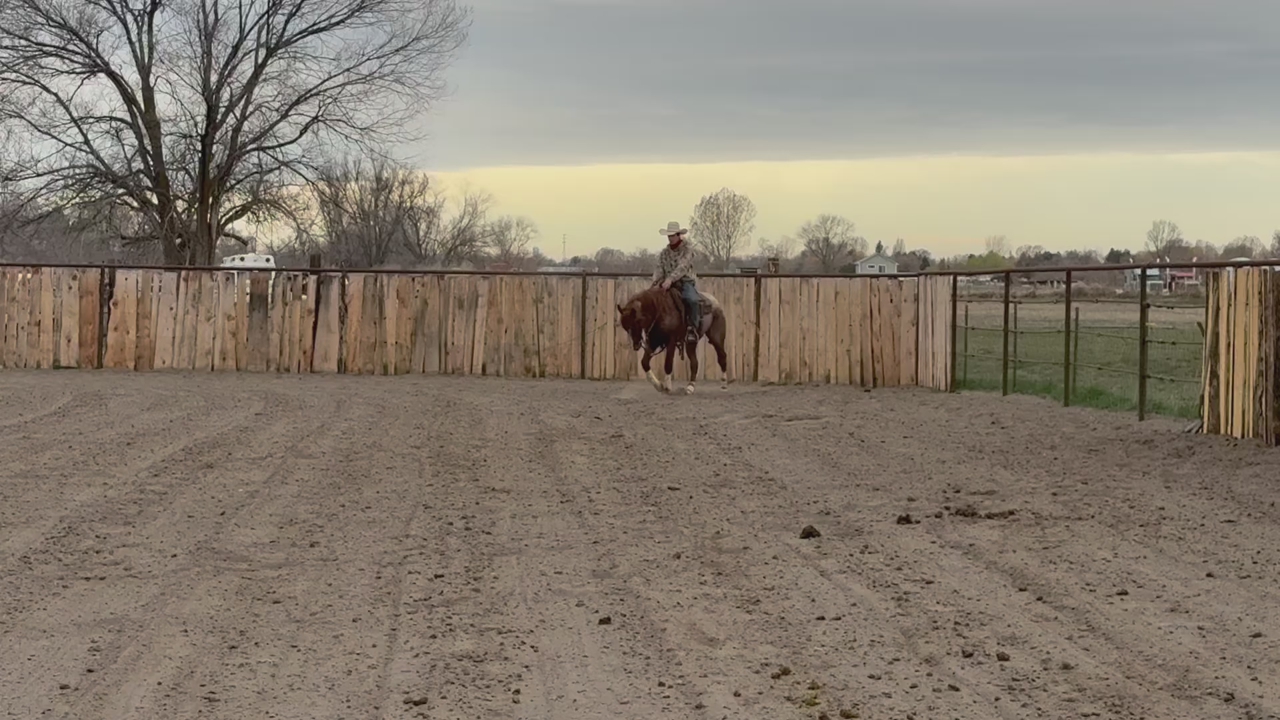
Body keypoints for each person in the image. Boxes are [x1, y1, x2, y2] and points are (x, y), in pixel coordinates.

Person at [653, 220, 700, 342]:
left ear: (679, 235)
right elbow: (659, 267)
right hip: (666, 283)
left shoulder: (687, 250)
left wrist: (670, 279)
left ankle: (692, 328)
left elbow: (682, 267)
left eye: (673, 235)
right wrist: (656, 281)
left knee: (692, 300)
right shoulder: (664, 253)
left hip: (685, 281)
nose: (670, 238)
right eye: (669, 236)